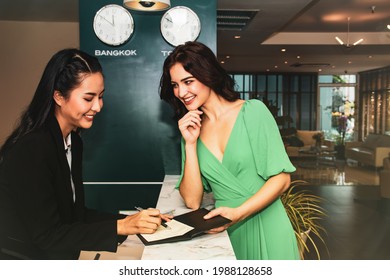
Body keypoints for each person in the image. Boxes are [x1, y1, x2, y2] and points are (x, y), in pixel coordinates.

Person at [0, 49, 169, 260]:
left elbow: (75, 215)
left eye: (100, 97)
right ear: (59, 96)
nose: (98, 106)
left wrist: (132, 221)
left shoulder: (74, 142)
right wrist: (122, 226)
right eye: (88, 98)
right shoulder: (31, 148)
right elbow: (47, 236)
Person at [159, 41, 299, 260]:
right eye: (175, 85)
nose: (181, 92)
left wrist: (238, 213)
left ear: (208, 75)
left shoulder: (252, 112)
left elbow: (281, 179)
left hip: (267, 224)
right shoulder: (191, 128)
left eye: (188, 82)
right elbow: (192, 201)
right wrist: (190, 144)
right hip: (226, 232)